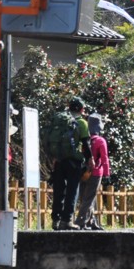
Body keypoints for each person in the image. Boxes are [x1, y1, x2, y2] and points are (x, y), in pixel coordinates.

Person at [48, 96, 90, 231]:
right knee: (72, 191)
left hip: (58, 161)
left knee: (58, 191)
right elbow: (86, 144)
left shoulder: (61, 121)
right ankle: (66, 221)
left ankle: (56, 220)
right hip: (74, 162)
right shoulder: (81, 123)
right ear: (81, 109)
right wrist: (90, 159)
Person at [74, 113, 110, 230]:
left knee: (85, 198)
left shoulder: (83, 140)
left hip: (83, 172)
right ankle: (80, 222)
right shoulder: (100, 141)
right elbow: (104, 158)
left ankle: (91, 222)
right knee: (89, 198)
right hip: (96, 172)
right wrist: (107, 173)